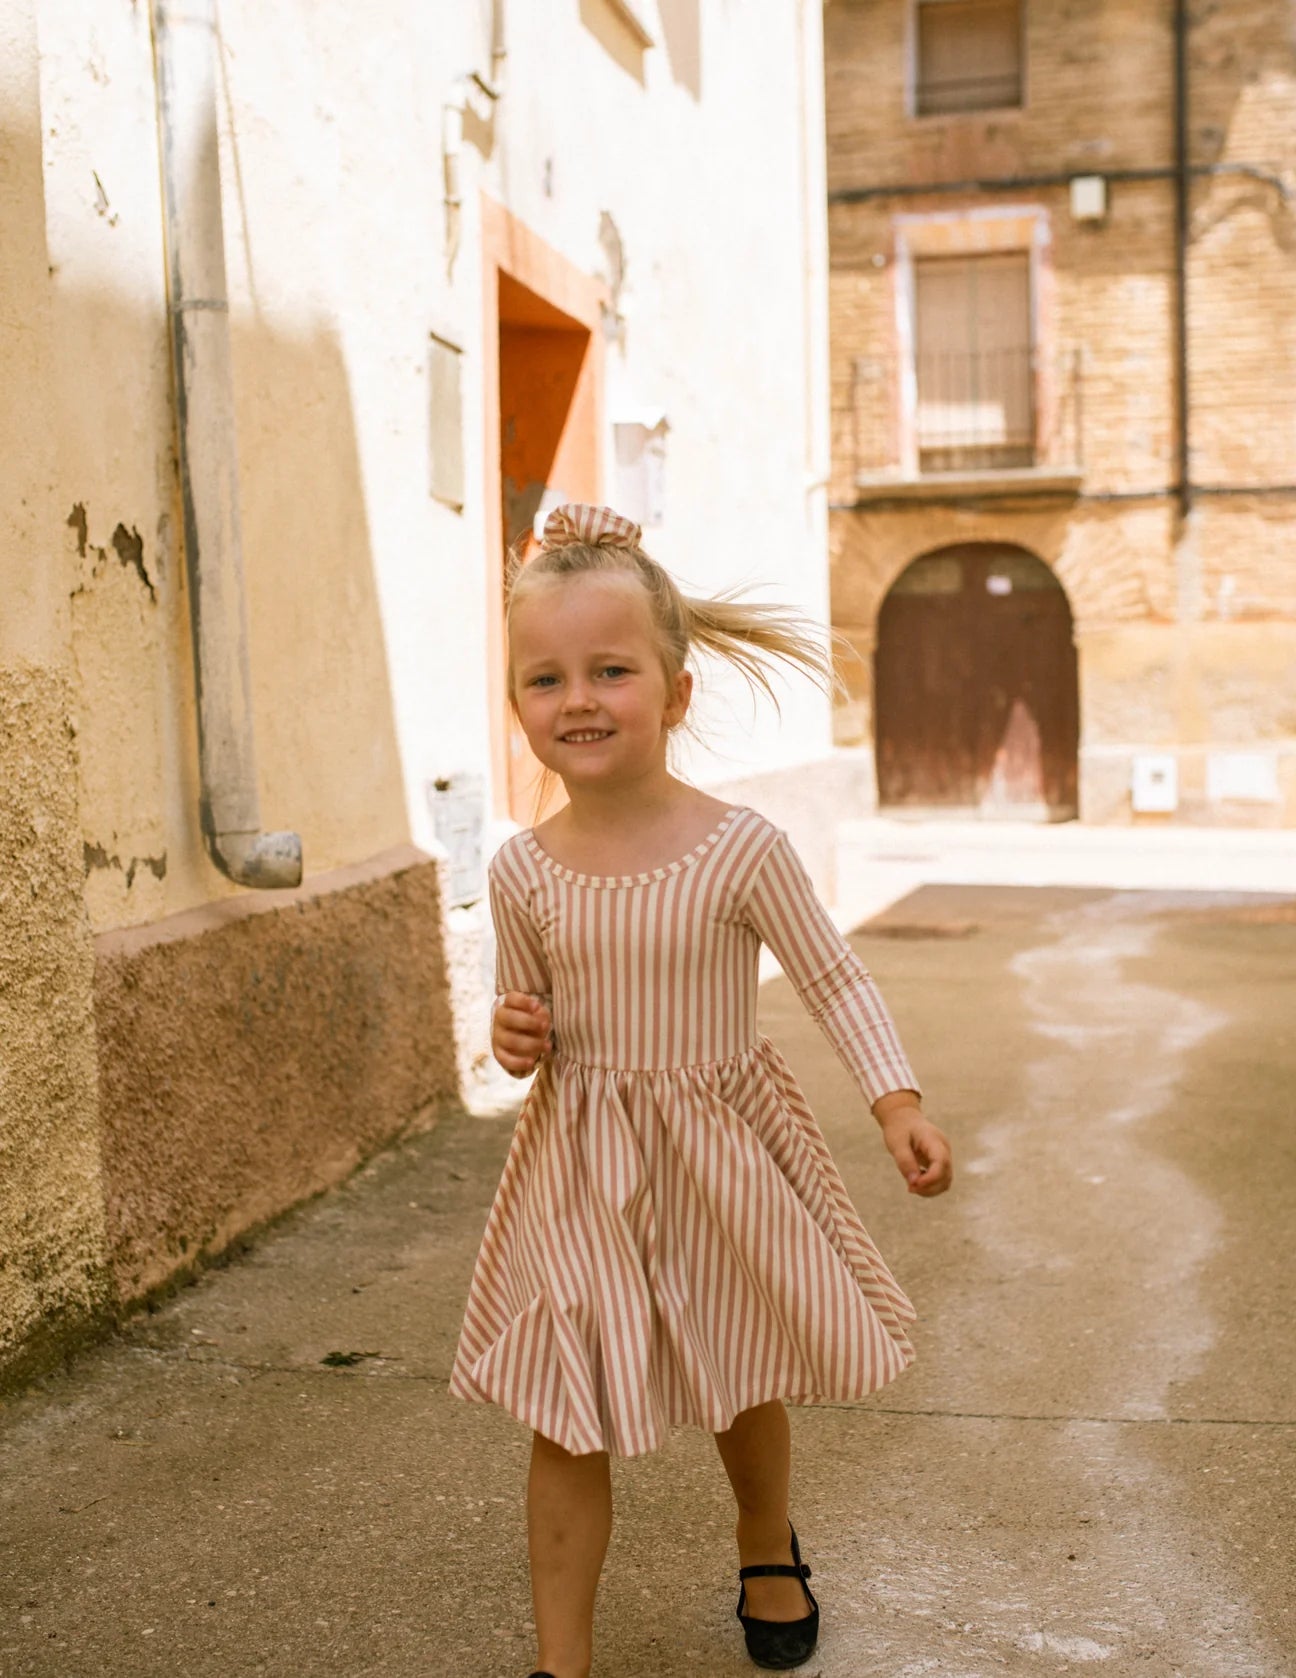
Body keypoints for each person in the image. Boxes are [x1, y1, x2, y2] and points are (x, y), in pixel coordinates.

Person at [450, 503, 953, 1678]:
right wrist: (513, 1033)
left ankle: (764, 1539)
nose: (577, 698)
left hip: (722, 1153)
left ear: (675, 693)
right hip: (582, 1167)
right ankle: (559, 1661)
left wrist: (896, 1101)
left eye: (611, 670)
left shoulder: (740, 847)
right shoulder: (521, 867)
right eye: (545, 678)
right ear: (519, 703)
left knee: (738, 1365)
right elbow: (524, 1026)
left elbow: (834, 979)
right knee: (564, 1397)